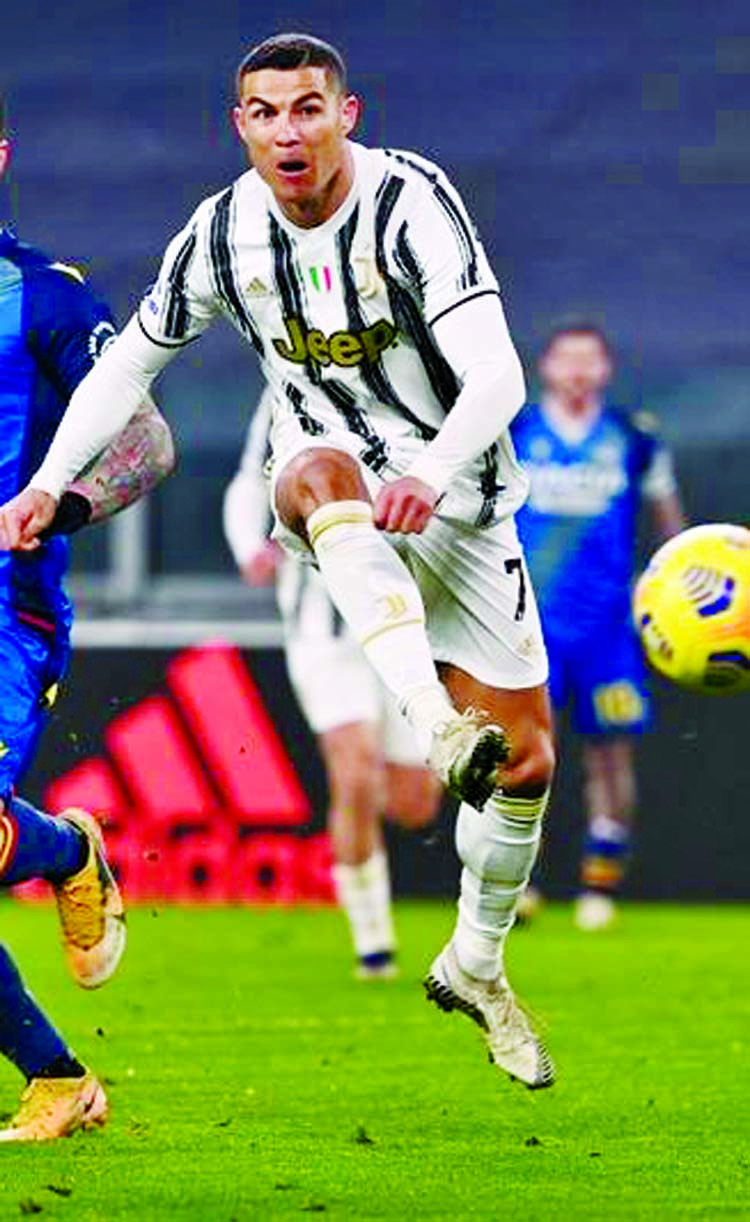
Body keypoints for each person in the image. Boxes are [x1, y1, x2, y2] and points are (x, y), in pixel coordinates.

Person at [0, 34, 556, 1089]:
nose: (287, 131)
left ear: (349, 114)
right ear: (240, 126)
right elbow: (132, 367)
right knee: (309, 471)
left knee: (527, 769)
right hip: (338, 485)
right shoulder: (220, 234)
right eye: (265, 112)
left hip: (462, 503)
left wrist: (434, 474)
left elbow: (498, 378)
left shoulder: (411, 206)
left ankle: (476, 964)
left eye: (308, 109)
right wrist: (44, 486)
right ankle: (433, 726)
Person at [0, 100, 174, 1141]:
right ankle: (60, 1080)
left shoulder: (47, 299)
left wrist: (56, 504)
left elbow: (147, 441)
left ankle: (64, 852)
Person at [224, 387, 442, 978]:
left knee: (414, 802)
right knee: (354, 768)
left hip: (403, 617)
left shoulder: (408, 375)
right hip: (324, 630)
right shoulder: (282, 386)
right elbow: (249, 480)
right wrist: (251, 546)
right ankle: (374, 946)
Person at [512, 323, 686, 930]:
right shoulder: (516, 432)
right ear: (547, 367)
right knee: (533, 754)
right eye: (569, 360)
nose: (580, 372)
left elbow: (671, 531)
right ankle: (523, 880)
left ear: (606, 369)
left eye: (591, 361)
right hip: (531, 625)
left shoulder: (632, 439)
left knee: (611, 754)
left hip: (610, 628)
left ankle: (599, 881)